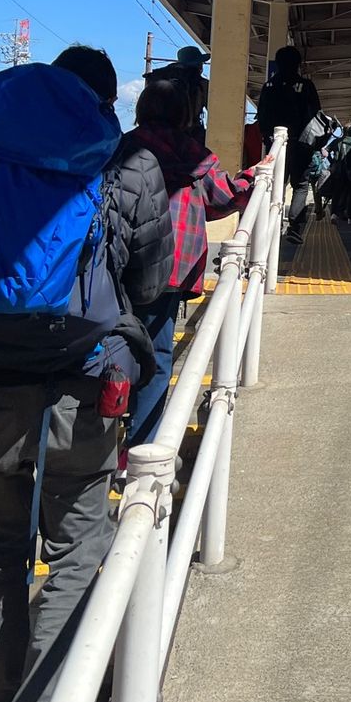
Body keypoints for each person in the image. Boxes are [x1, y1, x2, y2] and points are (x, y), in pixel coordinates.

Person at [0, 46, 172, 702]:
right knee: (79, 548)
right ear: (101, 102)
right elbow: (149, 285)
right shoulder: (125, 166)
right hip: (83, 386)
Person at [118, 79, 256, 450]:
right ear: (185, 114)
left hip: (121, 265)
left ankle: (106, 432)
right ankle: (141, 447)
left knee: (114, 345)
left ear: (141, 109)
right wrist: (255, 175)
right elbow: (225, 198)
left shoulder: (122, 147)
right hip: (171, 267)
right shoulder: (194, 154)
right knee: (159, 354)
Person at [256, 46, 322, 245]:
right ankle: (295, 227)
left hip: (275, 145)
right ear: (298, 64)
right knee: (300, 185)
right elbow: (316, 115)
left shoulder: (269, 86)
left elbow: (262, 115)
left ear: (277, 63)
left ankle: (270, 225)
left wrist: (268, 138)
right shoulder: (306, 86)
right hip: (301, 145)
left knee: (274, 183)